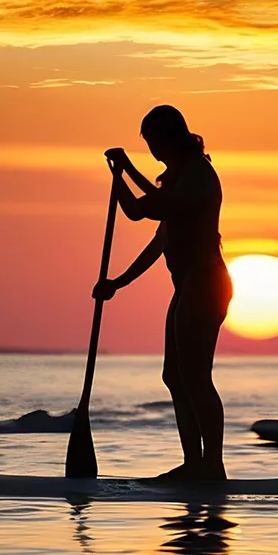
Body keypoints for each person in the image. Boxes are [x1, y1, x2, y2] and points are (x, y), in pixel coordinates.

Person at [94, 105, 234, 481]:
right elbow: (141, 216)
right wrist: (117, 283)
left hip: (207, 284)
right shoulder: (173, 180)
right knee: (174, 376)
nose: (152, 149)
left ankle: (212, 466)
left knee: (196, 376)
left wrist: (127, 171)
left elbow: (152, 209)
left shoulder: (198, 176)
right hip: (187, 287)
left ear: (169, 136)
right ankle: (193, 463)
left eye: (153, 141)